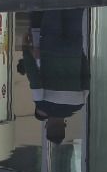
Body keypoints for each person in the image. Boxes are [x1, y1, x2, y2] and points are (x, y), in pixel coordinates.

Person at [22, 9, 90, 146]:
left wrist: (79, 52)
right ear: (47, 126)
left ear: (64, 126)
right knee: (53, 7)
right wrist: (25, 49)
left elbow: (86, 75)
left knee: (74, 8)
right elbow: (33, 76)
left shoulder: (79, 103)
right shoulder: (42, 103)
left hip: (73, 49)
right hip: (50, 48)